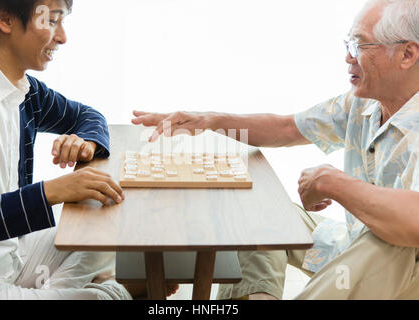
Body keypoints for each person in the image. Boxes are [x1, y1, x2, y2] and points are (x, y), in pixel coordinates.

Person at [132, 0, 419, 299]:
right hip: (352, 244)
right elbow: (287, 128)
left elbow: (414, 222)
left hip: (402, 269)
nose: (349, 57)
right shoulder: (362, 103)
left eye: (361, 45)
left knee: (388, 238)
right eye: (348, 44)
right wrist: (209, 120)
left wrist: (331, 182)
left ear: (407, 54)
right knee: (258, 212)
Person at [0, 0, 133, 300]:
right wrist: (49, 192)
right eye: (53, 21)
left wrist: (86, 143)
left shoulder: (25, 90)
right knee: (99, 296)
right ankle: (104, 290)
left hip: (12, 256)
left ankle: (68, 291)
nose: (62, 37)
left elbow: (88, 116)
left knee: (107, 221)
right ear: (5, 19)